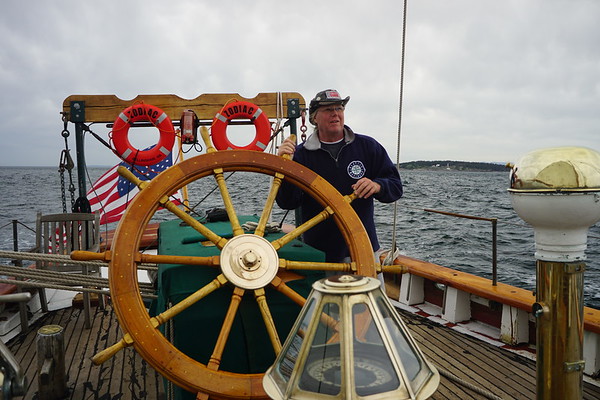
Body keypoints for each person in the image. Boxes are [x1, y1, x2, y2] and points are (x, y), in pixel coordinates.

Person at [275, 89, 403, 264]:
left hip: (363, 249)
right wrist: (285, 167)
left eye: (339, 108)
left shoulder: (368, 147)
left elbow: (396, 187)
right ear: (314, 118)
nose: (335, 114)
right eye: (328, 110)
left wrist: (377, 186)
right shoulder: (300, 156)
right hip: (319, 255)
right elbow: (287, 202)